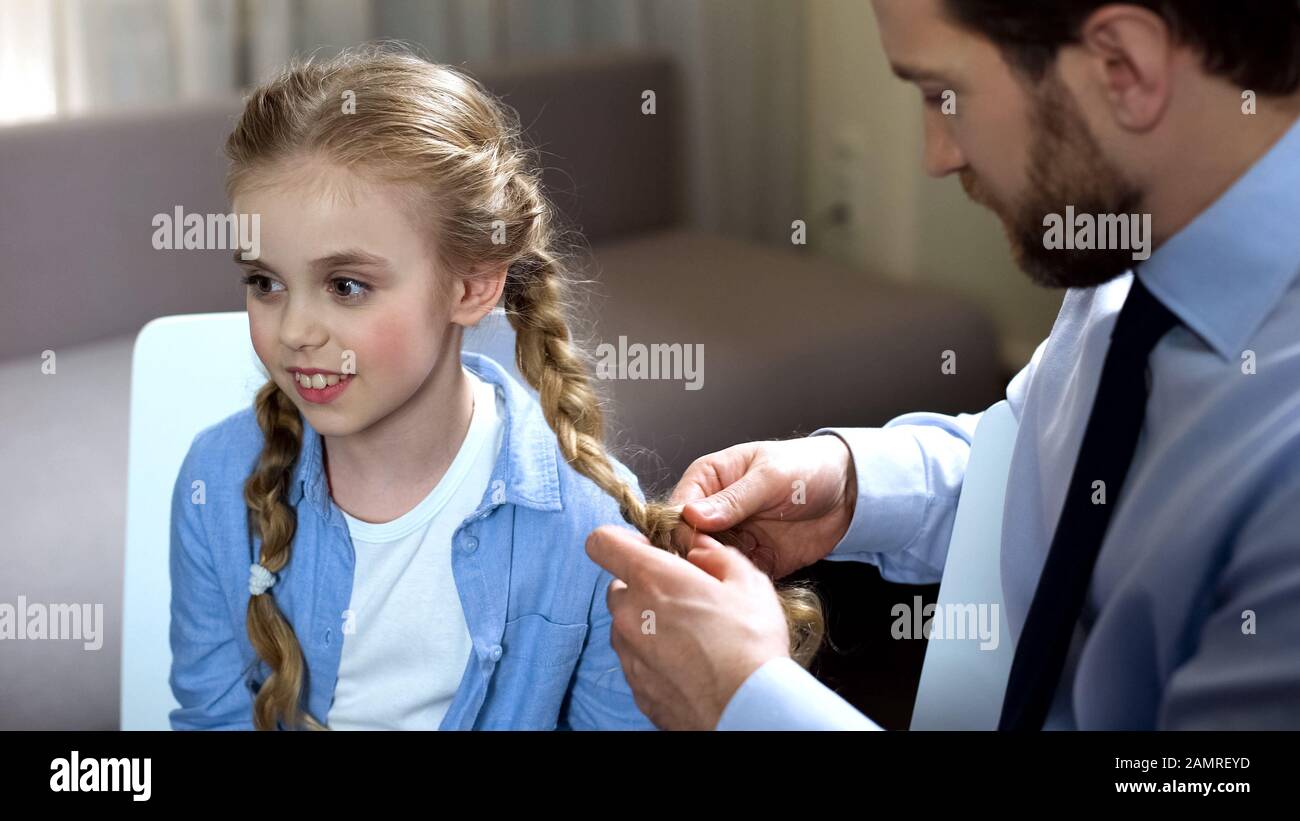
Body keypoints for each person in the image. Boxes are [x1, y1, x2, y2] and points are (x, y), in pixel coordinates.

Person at [587, 0, 1300, 730]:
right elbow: (1055, 473)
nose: (939, 156)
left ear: (1124, 66)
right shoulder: (1134, 244)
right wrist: (852, 485)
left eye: (942, 96)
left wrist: (746, 703)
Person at [169, 45, 668, 730]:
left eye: (347, 285)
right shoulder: (214, 483)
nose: (294, 331)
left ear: (471, 285)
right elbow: (212, 712)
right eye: (266, 282)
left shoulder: (589, 523)